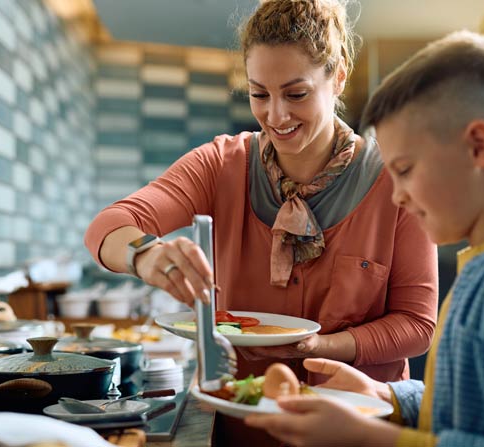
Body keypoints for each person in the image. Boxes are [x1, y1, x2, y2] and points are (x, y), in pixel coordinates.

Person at [85, 1, 437, 442]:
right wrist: (145, 255)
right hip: (242, 426)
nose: (275, 116)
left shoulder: (394, 180)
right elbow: (109, 225)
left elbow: (416, 325)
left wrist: (320, 346)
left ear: (339, 74)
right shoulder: (221, 163)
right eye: (258, 94)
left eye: (296, 94)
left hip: (357, 429)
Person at [245, 30, 484, 447]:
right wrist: (387, 395)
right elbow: (467, 406)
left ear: (479, 147)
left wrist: (371, 438)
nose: (397, 194)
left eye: (405, 170)